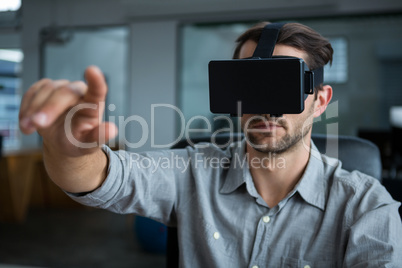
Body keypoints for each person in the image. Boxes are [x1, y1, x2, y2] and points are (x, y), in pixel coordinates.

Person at [19, 22, 401, 267]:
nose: (264, 107)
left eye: (281, 88)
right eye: (250, 87)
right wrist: (70, 149)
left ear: (320, 101)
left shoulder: (366, 208)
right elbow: (105, 177)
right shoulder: (193, 170)